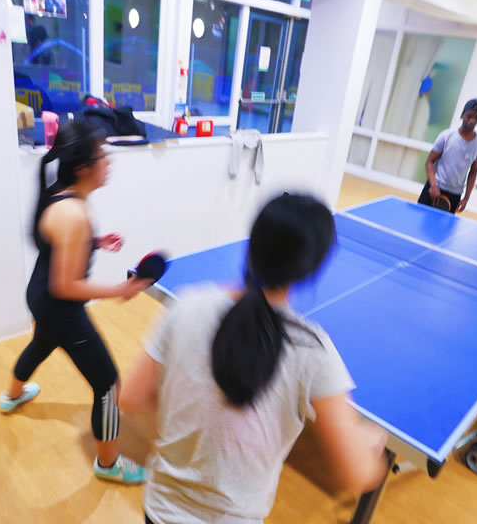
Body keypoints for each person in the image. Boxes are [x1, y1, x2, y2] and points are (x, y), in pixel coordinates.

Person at [121, 194, 390, 524]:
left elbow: (131, 398)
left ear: (253, 245)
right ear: (311, 269)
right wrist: (371, 441)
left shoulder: (188, 305)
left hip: (160, 510)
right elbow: (356, 474)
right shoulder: (312, 349)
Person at [0, 119, 153, 484]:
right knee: (109, 385)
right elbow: (67, 286)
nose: (109, 162)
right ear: (83, 167)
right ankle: (108, 463)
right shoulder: (75, 214)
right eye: (103, 156)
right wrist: (120, 290)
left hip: (38, 295)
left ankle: (11, 396)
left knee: (41, 343)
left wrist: (93, 242)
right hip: (59, 304)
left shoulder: (58, 195)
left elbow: (55, 241)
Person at [418, 98, 477, 214]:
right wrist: (433, 185)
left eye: (476, 118)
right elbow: (430, 162)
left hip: (454, 194)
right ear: (462, 115)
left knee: (442, 231)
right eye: (469, 116)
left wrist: (466, 198)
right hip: (434, 188)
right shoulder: (446, 136)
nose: (472, 121)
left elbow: (473, 172)